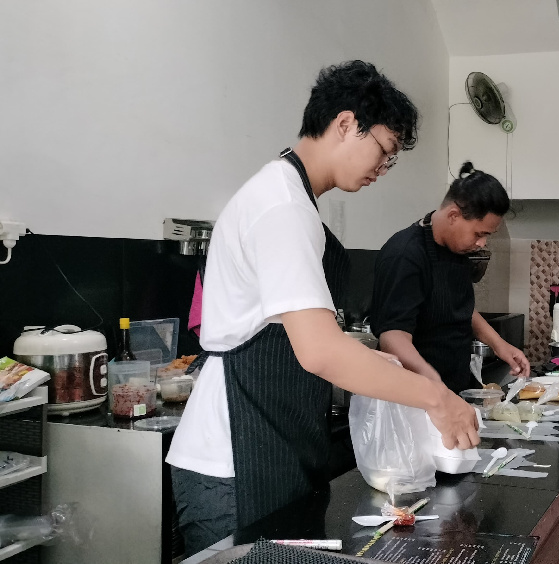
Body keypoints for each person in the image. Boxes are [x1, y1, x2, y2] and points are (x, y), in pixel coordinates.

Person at [165, 61, 479, 555]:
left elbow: (290, 334)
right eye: (384, 151)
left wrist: (374, 362)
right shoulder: (283, 205)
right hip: (234, 457)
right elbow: (320, 351)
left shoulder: (290, 196)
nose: (382, 168)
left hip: (268, 441)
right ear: (346, 124)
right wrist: (436, 399)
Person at [370, 162, 530, 394]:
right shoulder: (406, 254)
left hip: (454, 388)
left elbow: (458, 306)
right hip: (414, 395)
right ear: (454, 215)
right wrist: (432, 382)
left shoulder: (456, 250)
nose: (482, 243)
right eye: (479, 234)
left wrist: (499, 345)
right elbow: (393, 337)